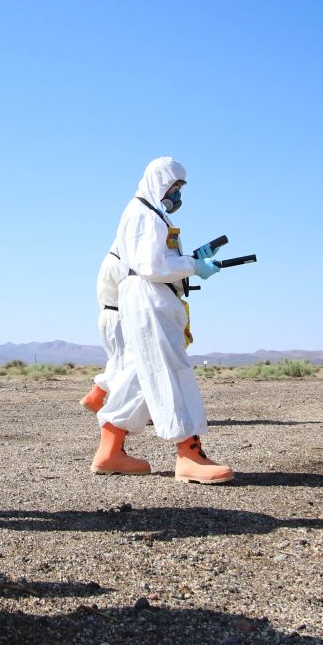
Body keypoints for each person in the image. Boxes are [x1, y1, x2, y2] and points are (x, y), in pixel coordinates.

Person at [93, 157, 234, 483]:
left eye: (181, 187)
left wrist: (188, 264)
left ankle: (110, 450)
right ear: (160, 181)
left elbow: (158, 263)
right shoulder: (144, 215)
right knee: (171, 370)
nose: (177, 193)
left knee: (140, 373)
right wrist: (193, 266)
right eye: (175, 185)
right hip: (148, 298)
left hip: (150, 298)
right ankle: (189, 454)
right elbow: (152, 266)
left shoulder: (150, 214)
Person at [79, 250, 126, 413]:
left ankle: (95, 397)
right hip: (118, 316)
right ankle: (120, 409)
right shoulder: (119, 263)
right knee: (126, 365)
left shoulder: (111, 260)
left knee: (117, 362)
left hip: (108, 315)